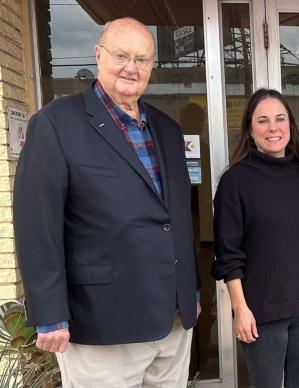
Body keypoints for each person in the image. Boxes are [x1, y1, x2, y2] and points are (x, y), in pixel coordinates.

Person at [13, 17, 199, 387]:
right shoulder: (55, 124)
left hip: (172, 321)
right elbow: (37, 226)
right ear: (98, 55)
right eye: (121, 55)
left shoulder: (167, 129)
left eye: (142, 59)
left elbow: (175, 217)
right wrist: (50, 314)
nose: (132, 67)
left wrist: (188, 289)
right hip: (101, 321)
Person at [212, 88, 299, 388]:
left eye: (280, 119)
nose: (273, 128)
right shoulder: (235, 181)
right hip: (262, 311)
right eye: (263, 120)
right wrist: (240, 309)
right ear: (250, 130)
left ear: (290, 126)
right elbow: (228, 256)